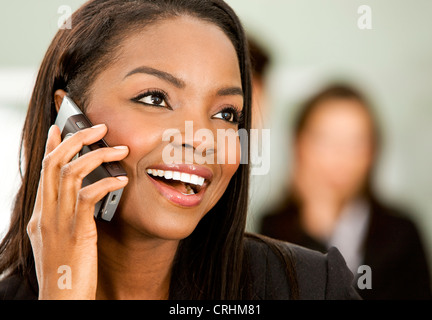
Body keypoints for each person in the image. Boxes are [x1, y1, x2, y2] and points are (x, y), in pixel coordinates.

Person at [0, 0, 359, 300]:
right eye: (155, 98)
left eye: (226, 114)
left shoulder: (313, 288)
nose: (202, 139)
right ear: (68, 118)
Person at [260, 84, 432, 299]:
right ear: (299, 145)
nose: (340, 157)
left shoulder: (401, 233)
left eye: (356, 142)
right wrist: (314, 229)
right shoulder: (273, 228)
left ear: (372, 152)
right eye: (325, 140)